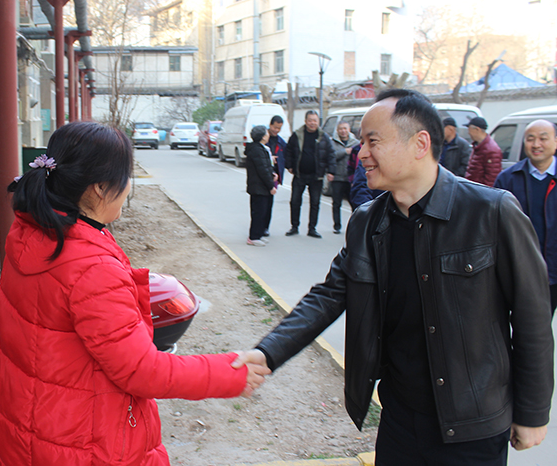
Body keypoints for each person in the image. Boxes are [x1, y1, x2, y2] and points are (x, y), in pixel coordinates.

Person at [234, 89, 553, 465]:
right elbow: (328, 296)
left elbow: (532, 316)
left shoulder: (491, 211)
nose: (361, 153)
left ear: (420, 144)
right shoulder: (368, 222)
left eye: (373, 141)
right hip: (400, 419)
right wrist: (267, 353)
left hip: (474, 424)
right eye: (361, 142)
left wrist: (533, 412)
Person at [0, 122, 270, 465]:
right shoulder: (90, 266)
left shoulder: (31, 230)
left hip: (27, 430)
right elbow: (142, 370)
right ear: (100, 188)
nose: (129, 185)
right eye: (126, 177)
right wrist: (230, 373)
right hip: (78, 444)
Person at [494, 119, 557, 315]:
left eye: (543, 139)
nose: (536, 144)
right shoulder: (508, 179)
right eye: (530, 139)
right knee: (530, 323)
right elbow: (495, 226)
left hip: (554, 269)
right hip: (522, 270)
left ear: (555, 141)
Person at [285, 111, 335, 238]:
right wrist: (289, 165)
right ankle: (294, 226)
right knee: (295, 201)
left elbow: (331, 154)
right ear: (305, 121)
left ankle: (312, 228)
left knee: (315, 203)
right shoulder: (297, 135)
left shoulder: (324, 137)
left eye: (315, 120)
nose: (312, 123)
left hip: (316, 176)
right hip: (299, 175)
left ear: (318, 122)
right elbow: (288, 150)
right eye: (310, 120)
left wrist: (331, 171)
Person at [245, 125, 278, 246]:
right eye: (267, 133)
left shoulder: (261, 149)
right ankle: (253, 237)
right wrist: (271, 186)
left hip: (261, 186)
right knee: (258, 212)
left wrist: (272, 174)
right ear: (263, 136)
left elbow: (266, 166)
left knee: (263, 211)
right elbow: (262, 169)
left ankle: (258, 235)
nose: (268, 135)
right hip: (258, 187)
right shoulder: (257, 150)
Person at [330, 121, 360, 234]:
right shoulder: (332, 143)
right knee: (336, 203)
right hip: (337, 177)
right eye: (341, 129)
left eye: (345, 128)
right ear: (337, 130)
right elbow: (331, 156)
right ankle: (337, 226)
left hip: (351, 179)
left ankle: (354, 225)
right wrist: (345, 151)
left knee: (353, 203)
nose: (343, 131)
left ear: (349, 130)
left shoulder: (355, 143)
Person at [264, 115, 287, 237]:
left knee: (269, 203)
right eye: (275, 127)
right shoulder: (263, 139)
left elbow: (287, 157)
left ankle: (265, 227)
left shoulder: (281, 142)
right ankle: (258, 227)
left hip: (274, 177)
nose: (276, 130)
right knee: (261, 203)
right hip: (263, 174)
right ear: (270, 125)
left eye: (279, 128)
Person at [465, 116, 503, 186]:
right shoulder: (477, 146)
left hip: (480, 190)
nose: (468, 133)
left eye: (469, 129)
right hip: (473, 188)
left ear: (477, 129)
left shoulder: (491, 150)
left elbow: (491, 179)